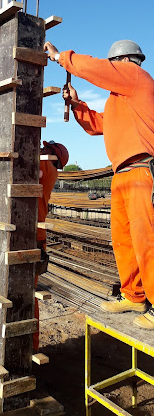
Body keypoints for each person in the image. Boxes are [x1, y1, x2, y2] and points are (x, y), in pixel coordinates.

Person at [44, 39, 154, 329]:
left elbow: (96, 69)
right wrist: (77, 104)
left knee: (147, 241)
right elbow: (97, 125)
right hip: (121, 174)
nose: (114, 70)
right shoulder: (121, 99)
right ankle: (134, 295)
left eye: (115, 65)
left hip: (141, 170)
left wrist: (61, 58)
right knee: (124, 240)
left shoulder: (136, 78)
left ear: (126, 62)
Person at [34, 140, 69, 350]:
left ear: (52, 154)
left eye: (45, 148)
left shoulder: (44, 167)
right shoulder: (47, 168)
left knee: (27, 293)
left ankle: (31, 346)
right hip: (36, 235)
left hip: (34, 236)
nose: (40, 149)